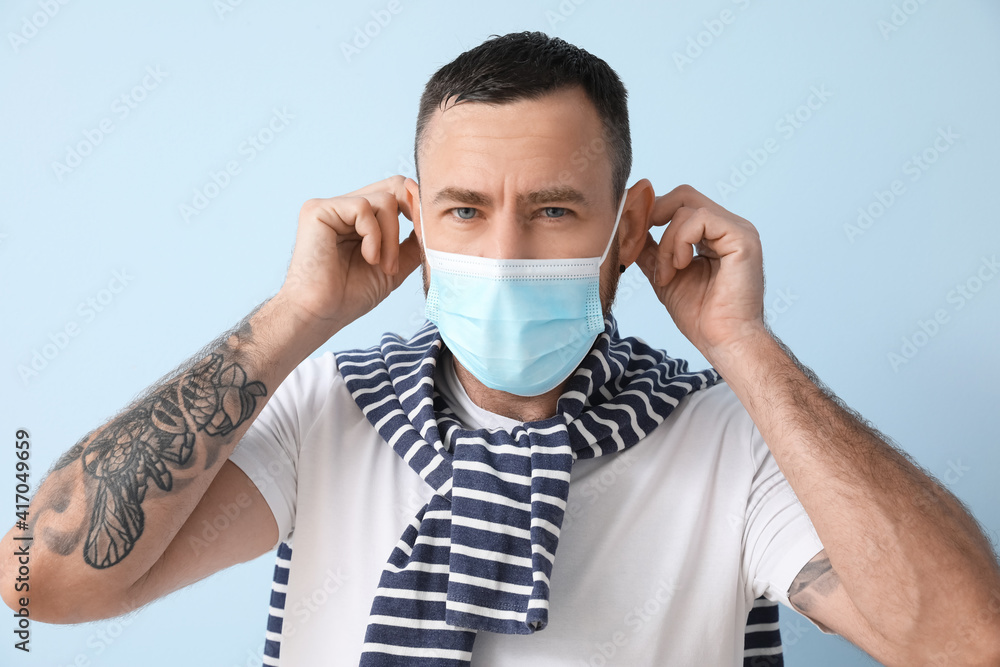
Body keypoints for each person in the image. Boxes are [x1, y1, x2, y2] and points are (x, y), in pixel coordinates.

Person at [3, 31, 999, 666]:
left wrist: (742, 343)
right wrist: (295, 314)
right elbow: (41, 579)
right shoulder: (324, 415)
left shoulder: (730, 447)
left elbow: (966, 643)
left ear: (626, 233)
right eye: (465, 211)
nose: (507, 250)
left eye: (556, 210)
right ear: (415, 231)